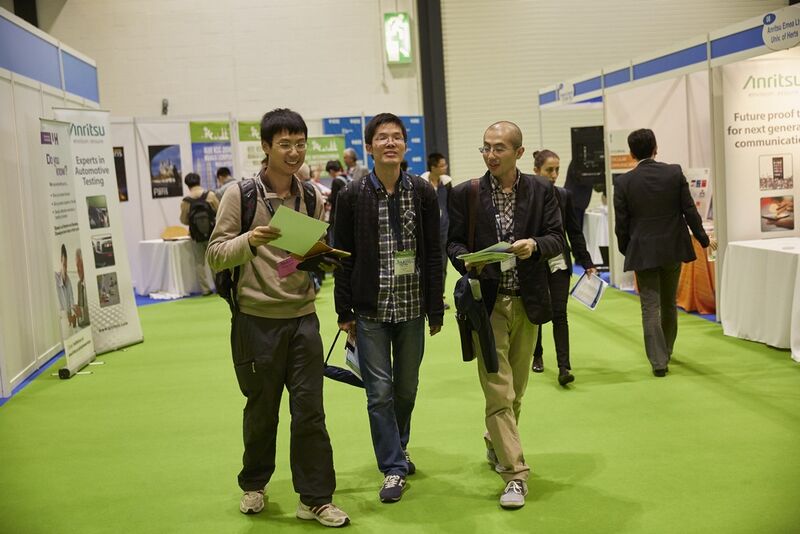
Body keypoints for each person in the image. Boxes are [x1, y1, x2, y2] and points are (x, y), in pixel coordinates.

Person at [206, 108, 349, 527]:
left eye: (300, 144)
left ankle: (316, 498)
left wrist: (323, 257)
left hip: (303, 318)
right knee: (262, 408)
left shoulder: (313, 196)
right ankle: (254, 483)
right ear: (265, 147)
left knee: (310, 411)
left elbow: (300, 257)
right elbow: (215, 254)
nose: (294, 152)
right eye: (284, 144)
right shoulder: (240, 195)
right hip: (256, 320)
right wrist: (250, 241)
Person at [447, 121, 563, 509]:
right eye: (486, 148)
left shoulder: (542, 190)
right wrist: (468, 261)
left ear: (518, 152)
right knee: (498, 389)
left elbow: (557, 237)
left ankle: (494, 440)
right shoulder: (466, 193)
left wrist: (535, 245)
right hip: (487, 304)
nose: (491, 155)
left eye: (499, 148)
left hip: (528, 302)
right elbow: (453, 243)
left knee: (517, 390)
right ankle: (515, 475)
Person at [333, 112, 444, 503]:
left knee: (406, 388)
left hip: (412, 307)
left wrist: (435, 308)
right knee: (379, 392)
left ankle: (400, 446)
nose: (390, 142)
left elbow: (434, 253)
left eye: (397, 136)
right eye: (382, 137)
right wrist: (344, 311)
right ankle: (393, 467)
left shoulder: (422, 192)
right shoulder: (351, 195)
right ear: (369, 147)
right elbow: (342, 256)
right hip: (371, 310)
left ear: (405, 145)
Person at [614, 128, 715, 377]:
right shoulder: (674, 172)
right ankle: (666, 351)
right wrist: (703, 239)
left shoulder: (624, 182)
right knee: (669, 303)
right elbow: (689, 211)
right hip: (672, 247)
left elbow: (621, 224)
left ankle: (658, 362)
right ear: (655, 148)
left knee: (650, 307)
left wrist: (627, 249)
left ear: (631, 153)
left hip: (643, 250)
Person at [530, 149, 596, 385]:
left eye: (557, 169)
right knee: (537, 311)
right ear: (536, 170)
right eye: (549, 170)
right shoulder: (526, 197)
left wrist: (586, 262)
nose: (554, 174)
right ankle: (537, 353)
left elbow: (574, 232)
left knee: (560, 313)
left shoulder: (564, 196)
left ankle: (564, 367)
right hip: (534, 262)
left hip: (559, 262)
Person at [420, 152, 453, 308]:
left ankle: (439, 297)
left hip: (444, 231)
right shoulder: (421, 184)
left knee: (442, 265)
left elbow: (451, 206)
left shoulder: (447, 183)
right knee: (425, 265)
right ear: (433, 167)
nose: (445, 167)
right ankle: (425, 297)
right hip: (425, 232)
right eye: (441, 165)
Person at [180, 172, 219, 296]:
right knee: (214, 260)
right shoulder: (210, 195)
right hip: (212, 233)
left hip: (196, 235)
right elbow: (219, 211)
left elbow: (184, 220)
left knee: (199, 262)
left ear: (187, 185)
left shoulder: (186, 201)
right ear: (199, 181)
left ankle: (205, 289)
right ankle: (219, 285)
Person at [564, 160, 594, 230]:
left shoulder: (585, 161)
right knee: (575, 230)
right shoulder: (578, 161)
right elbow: (583, 179)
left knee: (578, 229)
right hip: (574, 202)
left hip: (579, 203)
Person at [54, 244, 76, 329]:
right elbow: (58, 306)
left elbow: (72, 300)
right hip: (61, 322)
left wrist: (73, 314)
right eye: (64, 265)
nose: (65, 269)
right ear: (61, 261)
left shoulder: (68, 280)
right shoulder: (55, 278)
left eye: (66, 266)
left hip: (69, 322)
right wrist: (67, 317)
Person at [326, 160, 349, 237]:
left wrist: (328, 198)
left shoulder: (336, 181)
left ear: (331, 171)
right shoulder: (346, 178)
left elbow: (334, 199)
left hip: (337, 215)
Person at [74, 248, 90, 328]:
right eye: (77, 266)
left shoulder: (93, 282)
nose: (78, 269)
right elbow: (80, 319)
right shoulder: (79, 284)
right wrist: (77, 314)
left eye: (81, 265)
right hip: (84, 328)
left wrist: (81, 312)